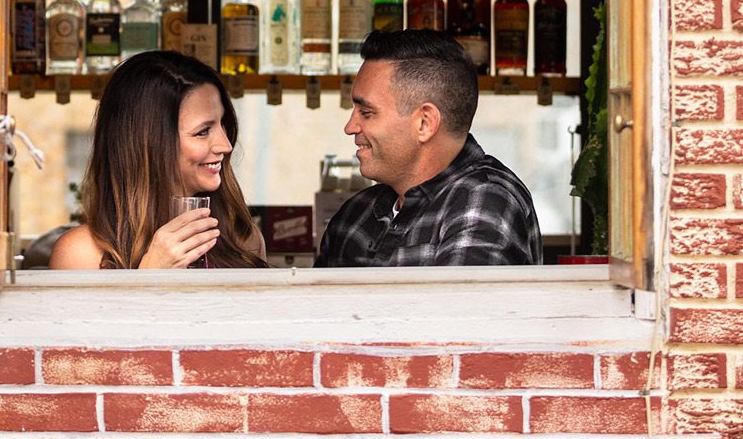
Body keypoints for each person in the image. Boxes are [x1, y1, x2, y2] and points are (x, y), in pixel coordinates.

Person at [315, 30, 542, 267]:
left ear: (425, 123)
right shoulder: (354, 215)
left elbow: (460, 304)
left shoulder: (485, 200)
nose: (350, 127)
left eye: (367, 112)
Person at [50, 51, 267, 269]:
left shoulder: (244, 240)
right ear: (148, 143)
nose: (225, 145)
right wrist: (150, 274)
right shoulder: (79, 254)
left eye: (223, 124)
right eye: (202, 132)